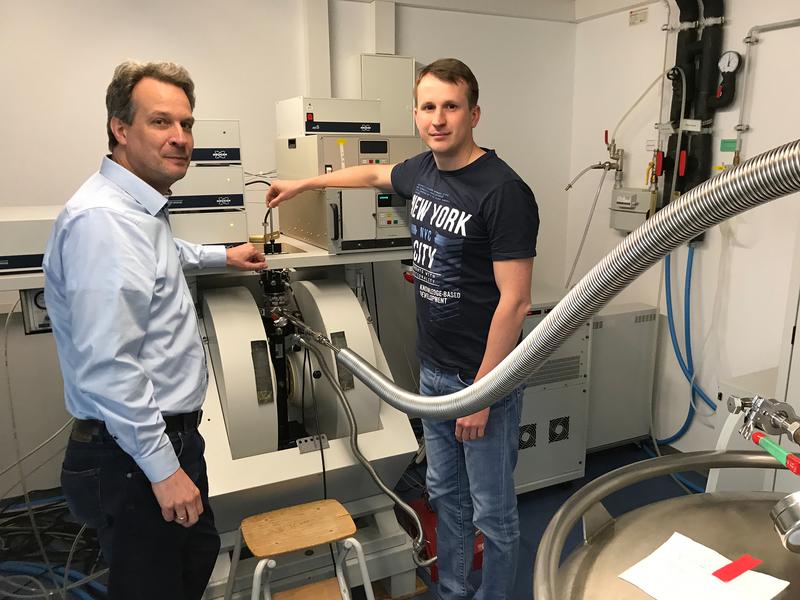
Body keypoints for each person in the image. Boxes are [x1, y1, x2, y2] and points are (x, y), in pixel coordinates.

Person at [266, 58, 539, 599]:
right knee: (444, 495)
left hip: (482, 379)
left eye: (451, 107)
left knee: (493, 512)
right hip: (435, 372)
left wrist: (483, 393)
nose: (439, 119)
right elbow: (369, 174)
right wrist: (302, 183)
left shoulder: (503, 191)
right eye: (428, 107)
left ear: (474, 113)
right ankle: (454, 591)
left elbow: (516, 301)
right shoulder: (422, 171)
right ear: (415, 114)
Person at [43, 61, 267, 599]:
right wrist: (163, 470)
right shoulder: (107, 222)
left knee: (189, 565)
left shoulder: (135, 210)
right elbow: (110, 367)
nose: (180, 139)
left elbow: (156, 258)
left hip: (156, 444)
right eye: (162, 123)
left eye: (187, 125)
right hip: (135, 455)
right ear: (121, 130)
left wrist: (222, 255)